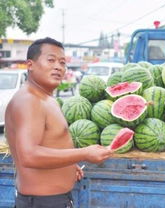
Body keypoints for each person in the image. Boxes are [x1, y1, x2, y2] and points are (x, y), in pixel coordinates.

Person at [4, 37, 113, 208]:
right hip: (42, 203)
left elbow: (48, 143)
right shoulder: (29, 100)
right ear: (30, 65)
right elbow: (29, 155)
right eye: (51, 60)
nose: (58, 67)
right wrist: (83, 153)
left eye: (62, 62)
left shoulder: (45, 98)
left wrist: (68, 163)